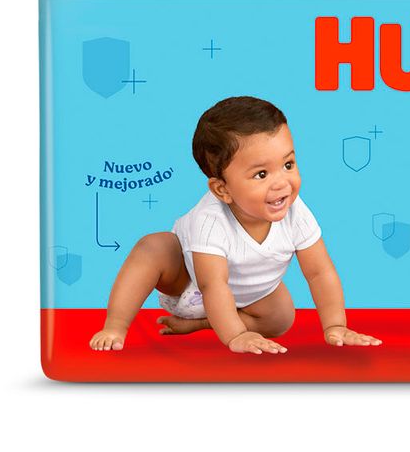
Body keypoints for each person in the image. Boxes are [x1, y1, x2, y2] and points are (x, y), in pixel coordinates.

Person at [89, 96, 381, 354]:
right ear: (222, 190)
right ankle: (116, 325)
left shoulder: (296, 212)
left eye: (288, 165)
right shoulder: (210, 220)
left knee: (282, 316)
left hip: (249, 298)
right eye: (261, 174)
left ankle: (203, 324)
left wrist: (335, 325)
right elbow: (212, 284)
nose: (282, 183)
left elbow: (320, 272)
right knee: (154, 247)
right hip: (189, 284)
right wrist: (236, 336)